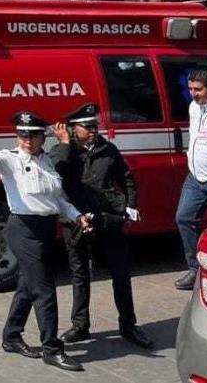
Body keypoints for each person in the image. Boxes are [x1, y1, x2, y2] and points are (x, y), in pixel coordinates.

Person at [0, 112, 91, 372]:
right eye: (22, 135)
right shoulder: (10, 160)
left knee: (27, 285)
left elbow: (56, 201)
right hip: (22, 229)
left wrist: (77, 216)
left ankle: (11, 336)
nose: (27, 140)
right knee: (44, 289)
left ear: (41, 138)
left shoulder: (47, 161)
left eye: (32, 135)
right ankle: (52, 349)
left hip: (46, 229)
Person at [49, 103, 151, 349]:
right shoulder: (63, 151)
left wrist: (130, 208)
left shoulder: (108, 149)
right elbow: (55, 173)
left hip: (108, 218)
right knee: (80, 274)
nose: (93, 130)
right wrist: (63, 144)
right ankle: (80, 326)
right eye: (87, 127)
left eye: (95, 125)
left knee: (121, 273)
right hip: (75, 221)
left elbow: (126, 179)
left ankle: (128, 325)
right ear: (73, 129)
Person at [176, 68, 207, 291]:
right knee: (184, 218)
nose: (193, 93)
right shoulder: (194, 107)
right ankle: (195, 270)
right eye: (190, 89)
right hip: (195, 176)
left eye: (198, 89)